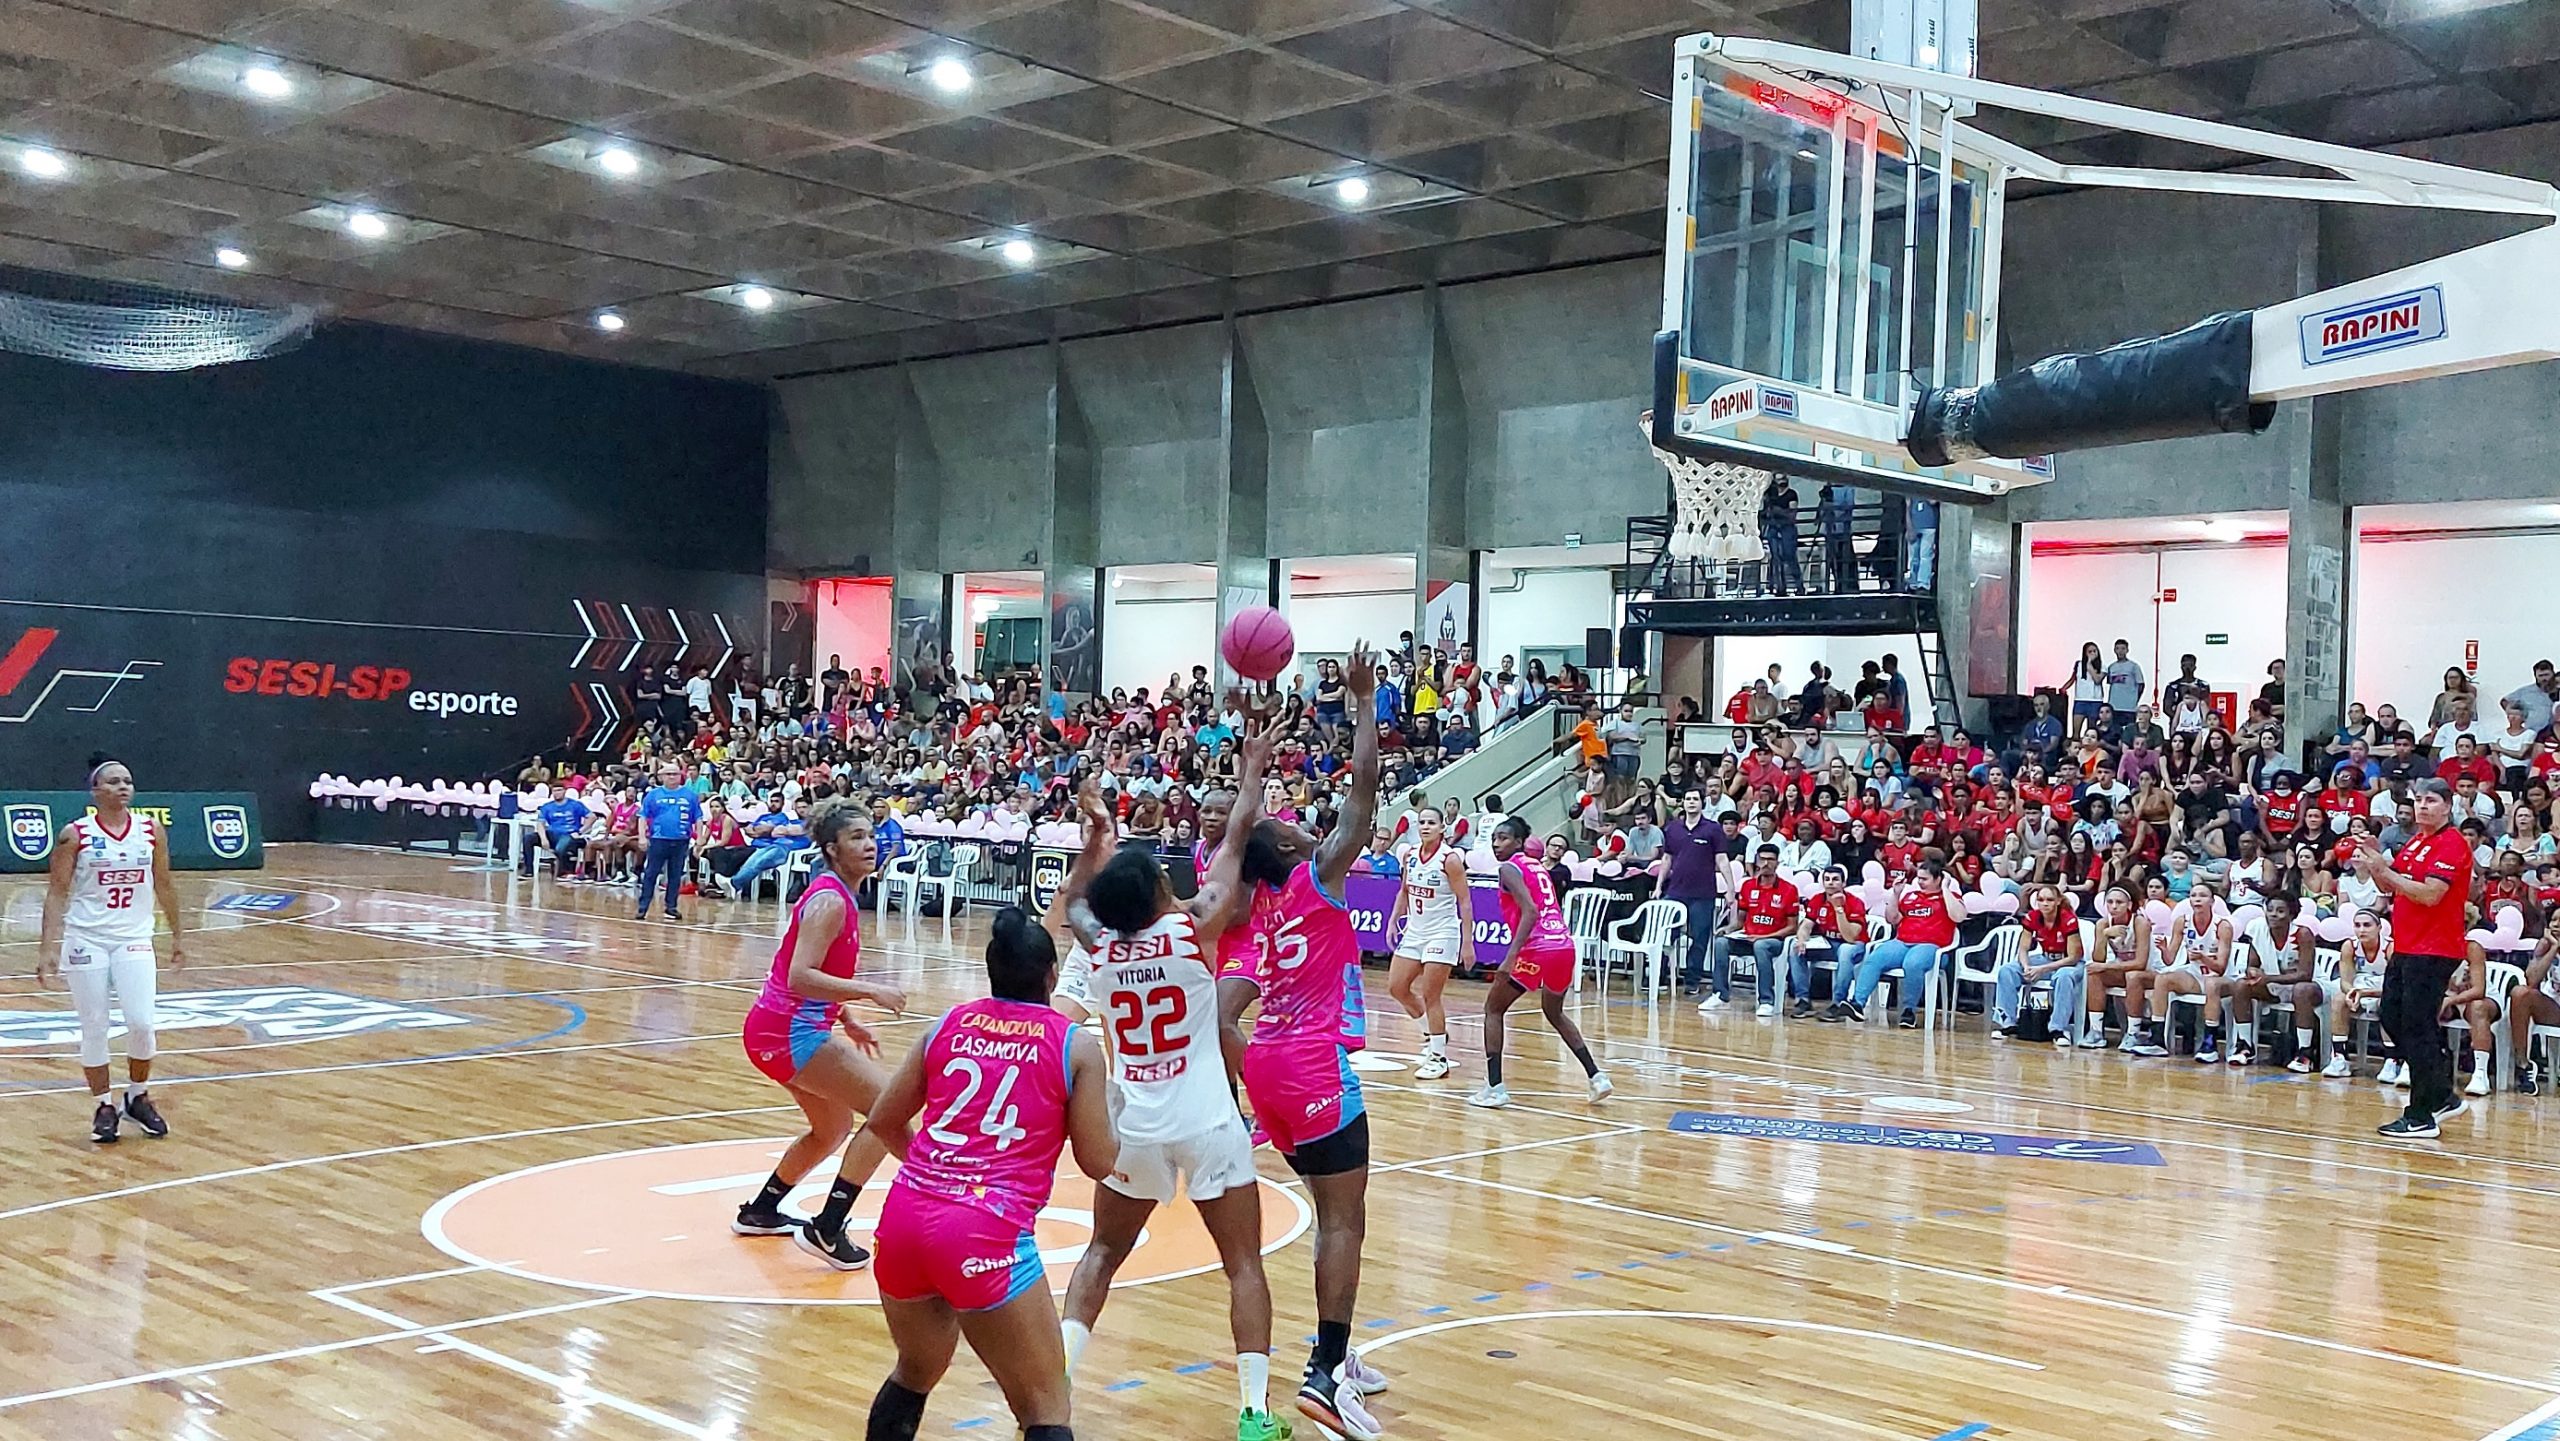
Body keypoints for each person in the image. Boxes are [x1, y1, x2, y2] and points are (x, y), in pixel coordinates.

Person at [1054, 744, 1292, 1441]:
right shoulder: (1193, 931)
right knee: (1242, 1263)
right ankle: (1253, 1412)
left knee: (1102, 1252)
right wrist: (1251, 767)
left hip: (1134, 1123)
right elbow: (1240, 829)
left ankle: (1057, 1382)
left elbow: (1073, 901)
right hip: (1208, 1119)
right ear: (1159, 892)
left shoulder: (1096, 946)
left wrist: (1095, 838)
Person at [1219, 641, 1394, 1441]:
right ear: (1289, 850)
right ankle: (1326, 1372)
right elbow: (1362, 793)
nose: (1301, 825)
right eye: (1291, 826)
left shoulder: (1254, 915)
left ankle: (1342, 1353)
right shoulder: (1316, 877)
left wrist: (1231, 1093)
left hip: (1268, 1074)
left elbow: (1223, 1011)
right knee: (1341, 1220)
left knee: (1333, 1211)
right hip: (1316, 1066)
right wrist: (1361, 701)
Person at [856, 907, 1112, 1441]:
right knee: (1046, 1404)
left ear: (991, 971)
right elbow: (1098, 1162)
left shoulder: (945, 1025)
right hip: (984, 1228)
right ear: (1049, 975)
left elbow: (882, 1118)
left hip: (906, 1216)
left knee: (915, 1372)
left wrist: (937, 1176)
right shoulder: (1073, 1044)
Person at [732, 800, 908, 1267]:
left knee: (832, 1127)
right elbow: (799, 976)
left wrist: (845, 1017)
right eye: (856, 837)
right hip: (788, 1032)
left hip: (778, 1029)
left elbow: (811, 976)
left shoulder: (839, 894)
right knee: (890, 1111)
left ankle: (763, 1210)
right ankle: (829, 1227)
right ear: (832, 849)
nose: (869, 844)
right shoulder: (830, 900)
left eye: (871, 835)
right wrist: (869, 991)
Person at [38, 756, 186, 1143]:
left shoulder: (150, 830)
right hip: (86, 938)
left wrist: (178, 936)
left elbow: (164, 883)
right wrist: (47, 948)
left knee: (141, 1022)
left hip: (133, 936)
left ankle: (136, 1097)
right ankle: (104, 1106)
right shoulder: (76, 834)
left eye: (128, 781)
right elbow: (56, 892)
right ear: (95, 792)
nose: (123, 787)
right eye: (114, 782)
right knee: (95, 1026)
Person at [2358, 778, 2474, 1139]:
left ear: (2448, 806)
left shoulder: (2452, 844)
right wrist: (2376, 864)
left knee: (2418, 1026)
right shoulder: (2416, 842)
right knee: (2391, 1016)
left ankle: (2422, 1112)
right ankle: (2441, 1093)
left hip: (2435, 948)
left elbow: (2430, 895)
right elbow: (2388, 888)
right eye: (2418, 799)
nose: (2422, 806)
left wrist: (2388, 871)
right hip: (2407, 944)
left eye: (2431, 800)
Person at [1469, 820, 1610, 1109]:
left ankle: (1494, 1087)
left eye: (1504, 838)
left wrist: (1511, 957)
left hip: (1536, 949)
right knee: (1554, 1013)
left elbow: (1531, 911)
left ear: (1519, 842)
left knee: (1493, 1009)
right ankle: (1597, 1077)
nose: (1497, 844)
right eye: (1494, 838)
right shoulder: (1538, 867)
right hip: (1563, 945)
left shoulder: (1509, 868)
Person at [1822, 856, 1964, 1028]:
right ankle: (1857, 1004)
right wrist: (1896, 894)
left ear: (1938, 879)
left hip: (1933, 946)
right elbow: (1892, 919)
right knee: (1875, 958)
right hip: (1902, 942)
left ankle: (1908, 1011)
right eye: (1918, 878)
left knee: (1912, 963)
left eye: (1924, 879)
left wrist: (1945, 889)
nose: (1919, 882)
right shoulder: (1911, 896)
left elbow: (1959, 916)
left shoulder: (1950, 896)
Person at [1386, 809, 1471, 1079]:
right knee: (1397, 988)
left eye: (1431, 823)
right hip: (1414, 931)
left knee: (1430, 995)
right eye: (1422, 822)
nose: (1425, 827)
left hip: (1443, 933)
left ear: (1442, 828)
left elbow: (1465, 901)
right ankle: (1431, 1032)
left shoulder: (1450, 859)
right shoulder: (1410, 855)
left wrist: (1467, 942)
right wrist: (1393, 920)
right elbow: (1404, 891)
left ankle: (1439, 1057)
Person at [1710, 844, 1797, 1017]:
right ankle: (1720, 995)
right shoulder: (1748, 886)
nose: (1766, 863)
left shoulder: (1789, 889)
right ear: (1756, 861)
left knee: (1761, 946)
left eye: (1770, 859)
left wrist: (1762, 936)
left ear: (1777, 863)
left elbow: (1792, 927)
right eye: (1762, 859)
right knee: (1720, 943)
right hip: (1747, 938)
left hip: (1774, 941)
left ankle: (1766, 1001)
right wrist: (1727, 928)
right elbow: (1739, 922)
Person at [1993, 882, 2083, 1045]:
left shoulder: (2068, 919)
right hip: (2045, 957)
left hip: (2068, 962)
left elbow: (2073, 957)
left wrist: (2042, 969)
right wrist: (2027, 966)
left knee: (2064, 976)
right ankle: (2008, 1022)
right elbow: (2023, 948)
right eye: (2041, 899)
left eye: (2049, 900)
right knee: (2007, 970)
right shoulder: (2033, 916)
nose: (2045, 903)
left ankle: (2057, 1029)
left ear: (2057, 901)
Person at [1662, 789, 1726, 996]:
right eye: (1688, 799)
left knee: (1699, 938)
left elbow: (1722, 859)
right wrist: (1657, 885)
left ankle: (1692, 980)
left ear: (1702, 803)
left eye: (1695, 799)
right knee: (1665, 935)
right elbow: (1667, 859)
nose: (1691, 802)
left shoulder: (1713, 829)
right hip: (1675, 890)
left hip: (1703, 893)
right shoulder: (1672, 829)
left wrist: (1731, 889)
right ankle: (1660, 975)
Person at [2078, 884, 2154, 1050]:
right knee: (2094, 973)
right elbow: (2098, 959)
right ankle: (2096, 1032)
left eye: (2119, 902)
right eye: (2110, 902)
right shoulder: (2103, 924)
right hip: (2125, 971)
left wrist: (2106, 966)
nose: (2113, 906)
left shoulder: (2140, 923)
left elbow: (2141, 963)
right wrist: (2104, 935)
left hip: (2152, 973)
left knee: (2133, 976)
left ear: (2128, 905)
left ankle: (2133, 1033)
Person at [2320, 910, 2391, 1080]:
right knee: (2339, 999)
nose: (2362, 930)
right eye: (2357, 925)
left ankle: (2392, 1060)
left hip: (2383, 988)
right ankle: (2340, 1058)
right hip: (2360, 986)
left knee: (2389, 1003)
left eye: (2367, 925)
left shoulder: (2390, 947)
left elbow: (2394, 986)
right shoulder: (2349, 946)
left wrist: (2366, 993)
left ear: (2379, 928)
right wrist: (2351, 992)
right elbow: (2345, 980)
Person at [636, 761, 700, 921]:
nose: (672, 777)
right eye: (668, 774)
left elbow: (698, 818)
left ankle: (671, 907)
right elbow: (643, 816)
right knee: (651, 873)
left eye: (675, 774)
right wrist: (642, 837)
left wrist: (699, 839)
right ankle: (643, 907)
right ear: (661, 776)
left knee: (675, 875)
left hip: (681, 840)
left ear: (681, 776)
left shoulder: (690, 796)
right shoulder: (653, 795)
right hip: (658, 839)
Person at [1817, 482, 1857, 593]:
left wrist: (1833, 507)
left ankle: (1845, 585)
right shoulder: (1828, 488)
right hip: (1829, 532)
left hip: (1842, 531)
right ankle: (1833, 585)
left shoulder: (1848, 488)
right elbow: (1820, 512)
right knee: (1829, 560)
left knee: (1844, 560)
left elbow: (1849, 506)